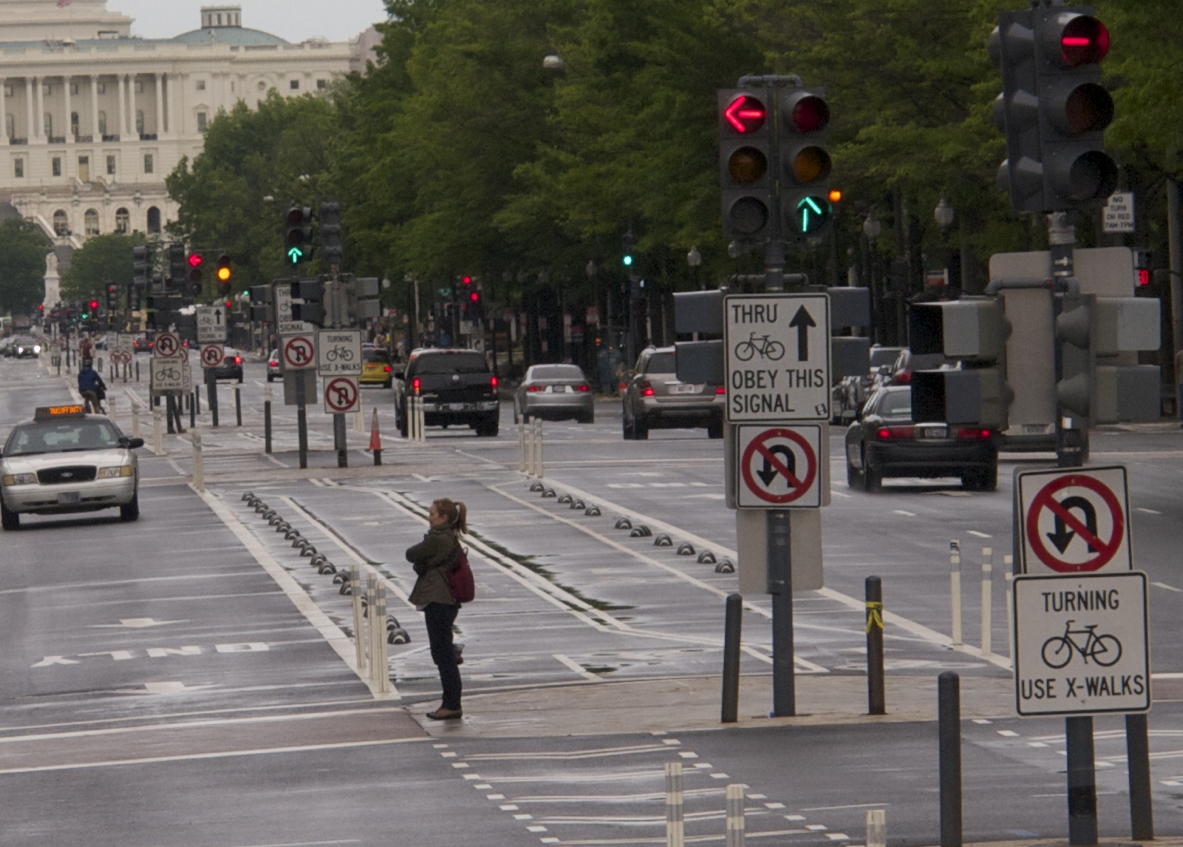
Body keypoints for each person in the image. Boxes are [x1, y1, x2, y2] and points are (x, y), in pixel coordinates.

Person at [406, 497, 467, 720]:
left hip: (439, 600)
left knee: (442, 655)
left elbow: (411, 554)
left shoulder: (439, 539)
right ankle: (452, 653)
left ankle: (451, 704)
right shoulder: (447, 537)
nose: (429, 517)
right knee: (441, 651)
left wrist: (423, 562)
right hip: (443, 600)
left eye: (432, 514)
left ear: (443, 518)